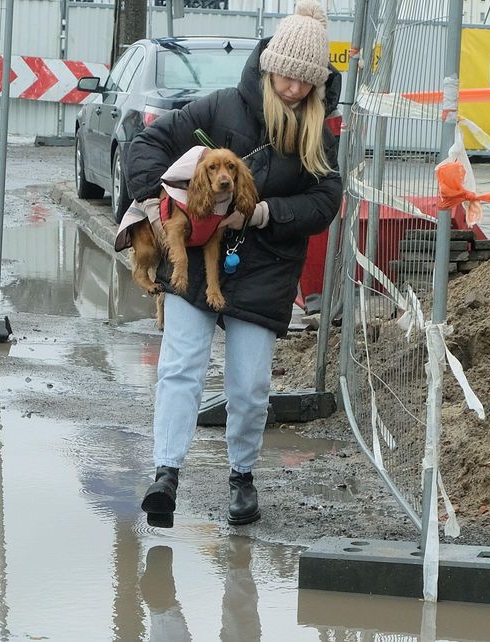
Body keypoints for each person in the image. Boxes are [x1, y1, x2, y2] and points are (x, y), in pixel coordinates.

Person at [126, 0, 343, 528]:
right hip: (197, 260)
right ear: (269, 65)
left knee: (248, 387)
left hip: (267, 264)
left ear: (316, 86)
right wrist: (156, 208)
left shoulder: (318, 136)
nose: (292, 88)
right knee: (181, 367)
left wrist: (266, 213)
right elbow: (147, 144)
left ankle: (242, 477)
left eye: (304, 82)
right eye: (286, 75)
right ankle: (166, 475)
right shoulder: (220, 107)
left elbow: (325, 202)